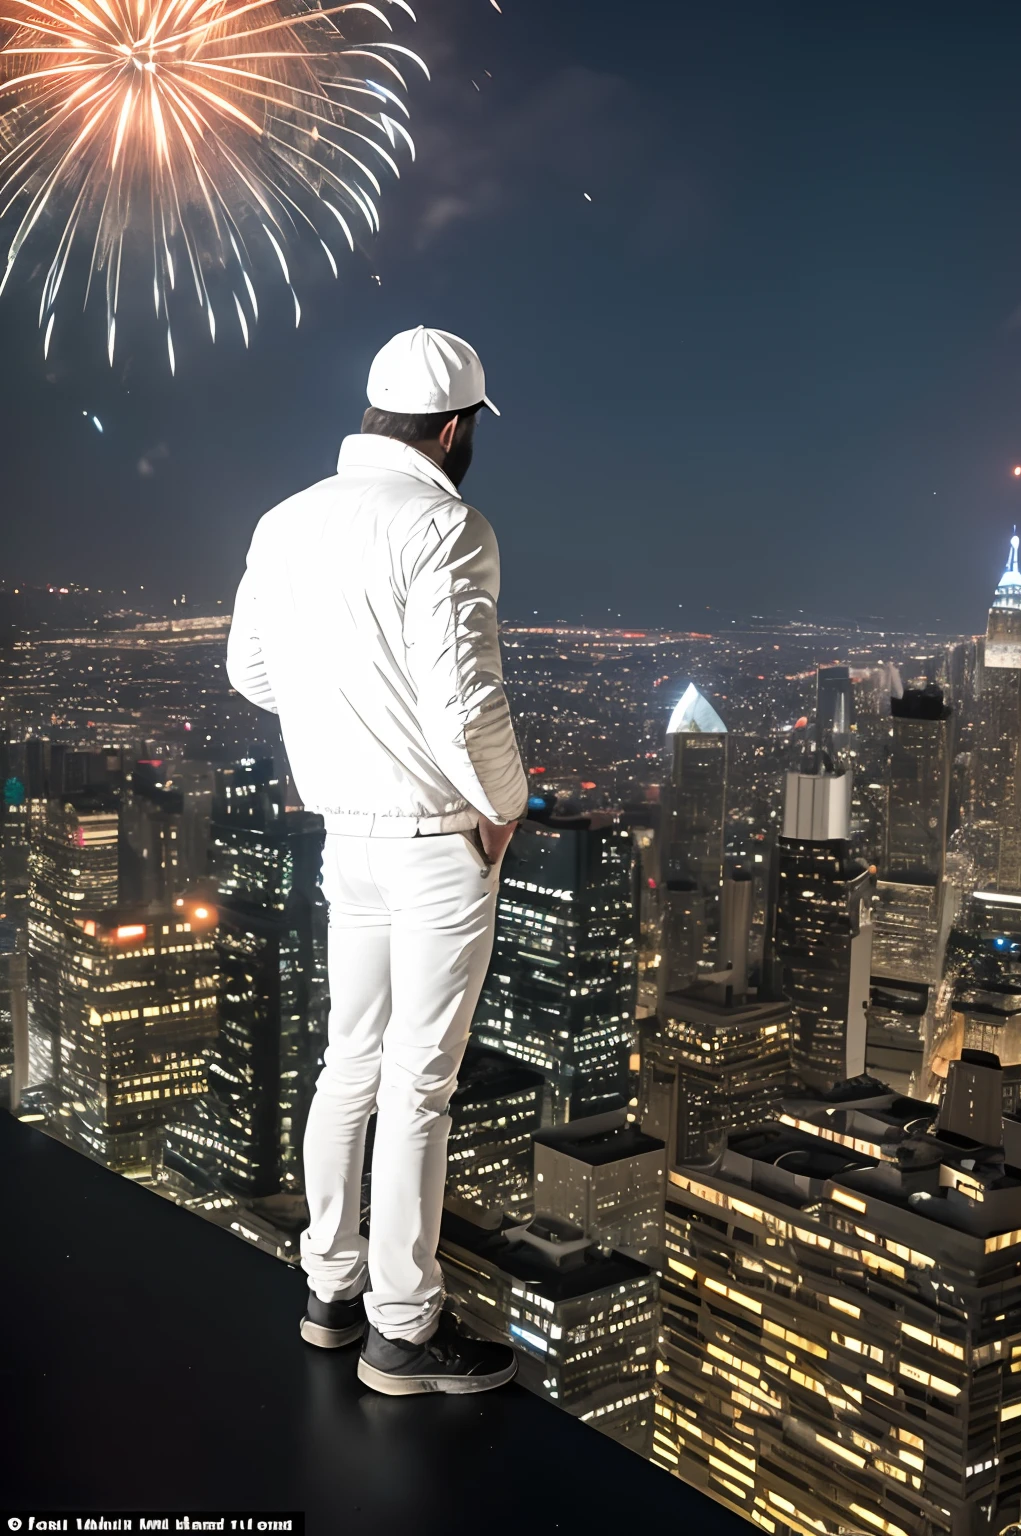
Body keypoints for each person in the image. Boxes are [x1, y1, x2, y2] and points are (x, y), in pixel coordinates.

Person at [227, 327, 527, 1396]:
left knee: (345, 1063)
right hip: (434, 844)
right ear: (455, 430)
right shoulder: (449, 526)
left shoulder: (284, 520)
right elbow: (466, 701)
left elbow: (251, 671)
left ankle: (328, 1293)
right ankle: (403, 1328)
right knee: (418, 1087)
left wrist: (344, 708)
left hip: (342, 840)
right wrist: (507, 806)